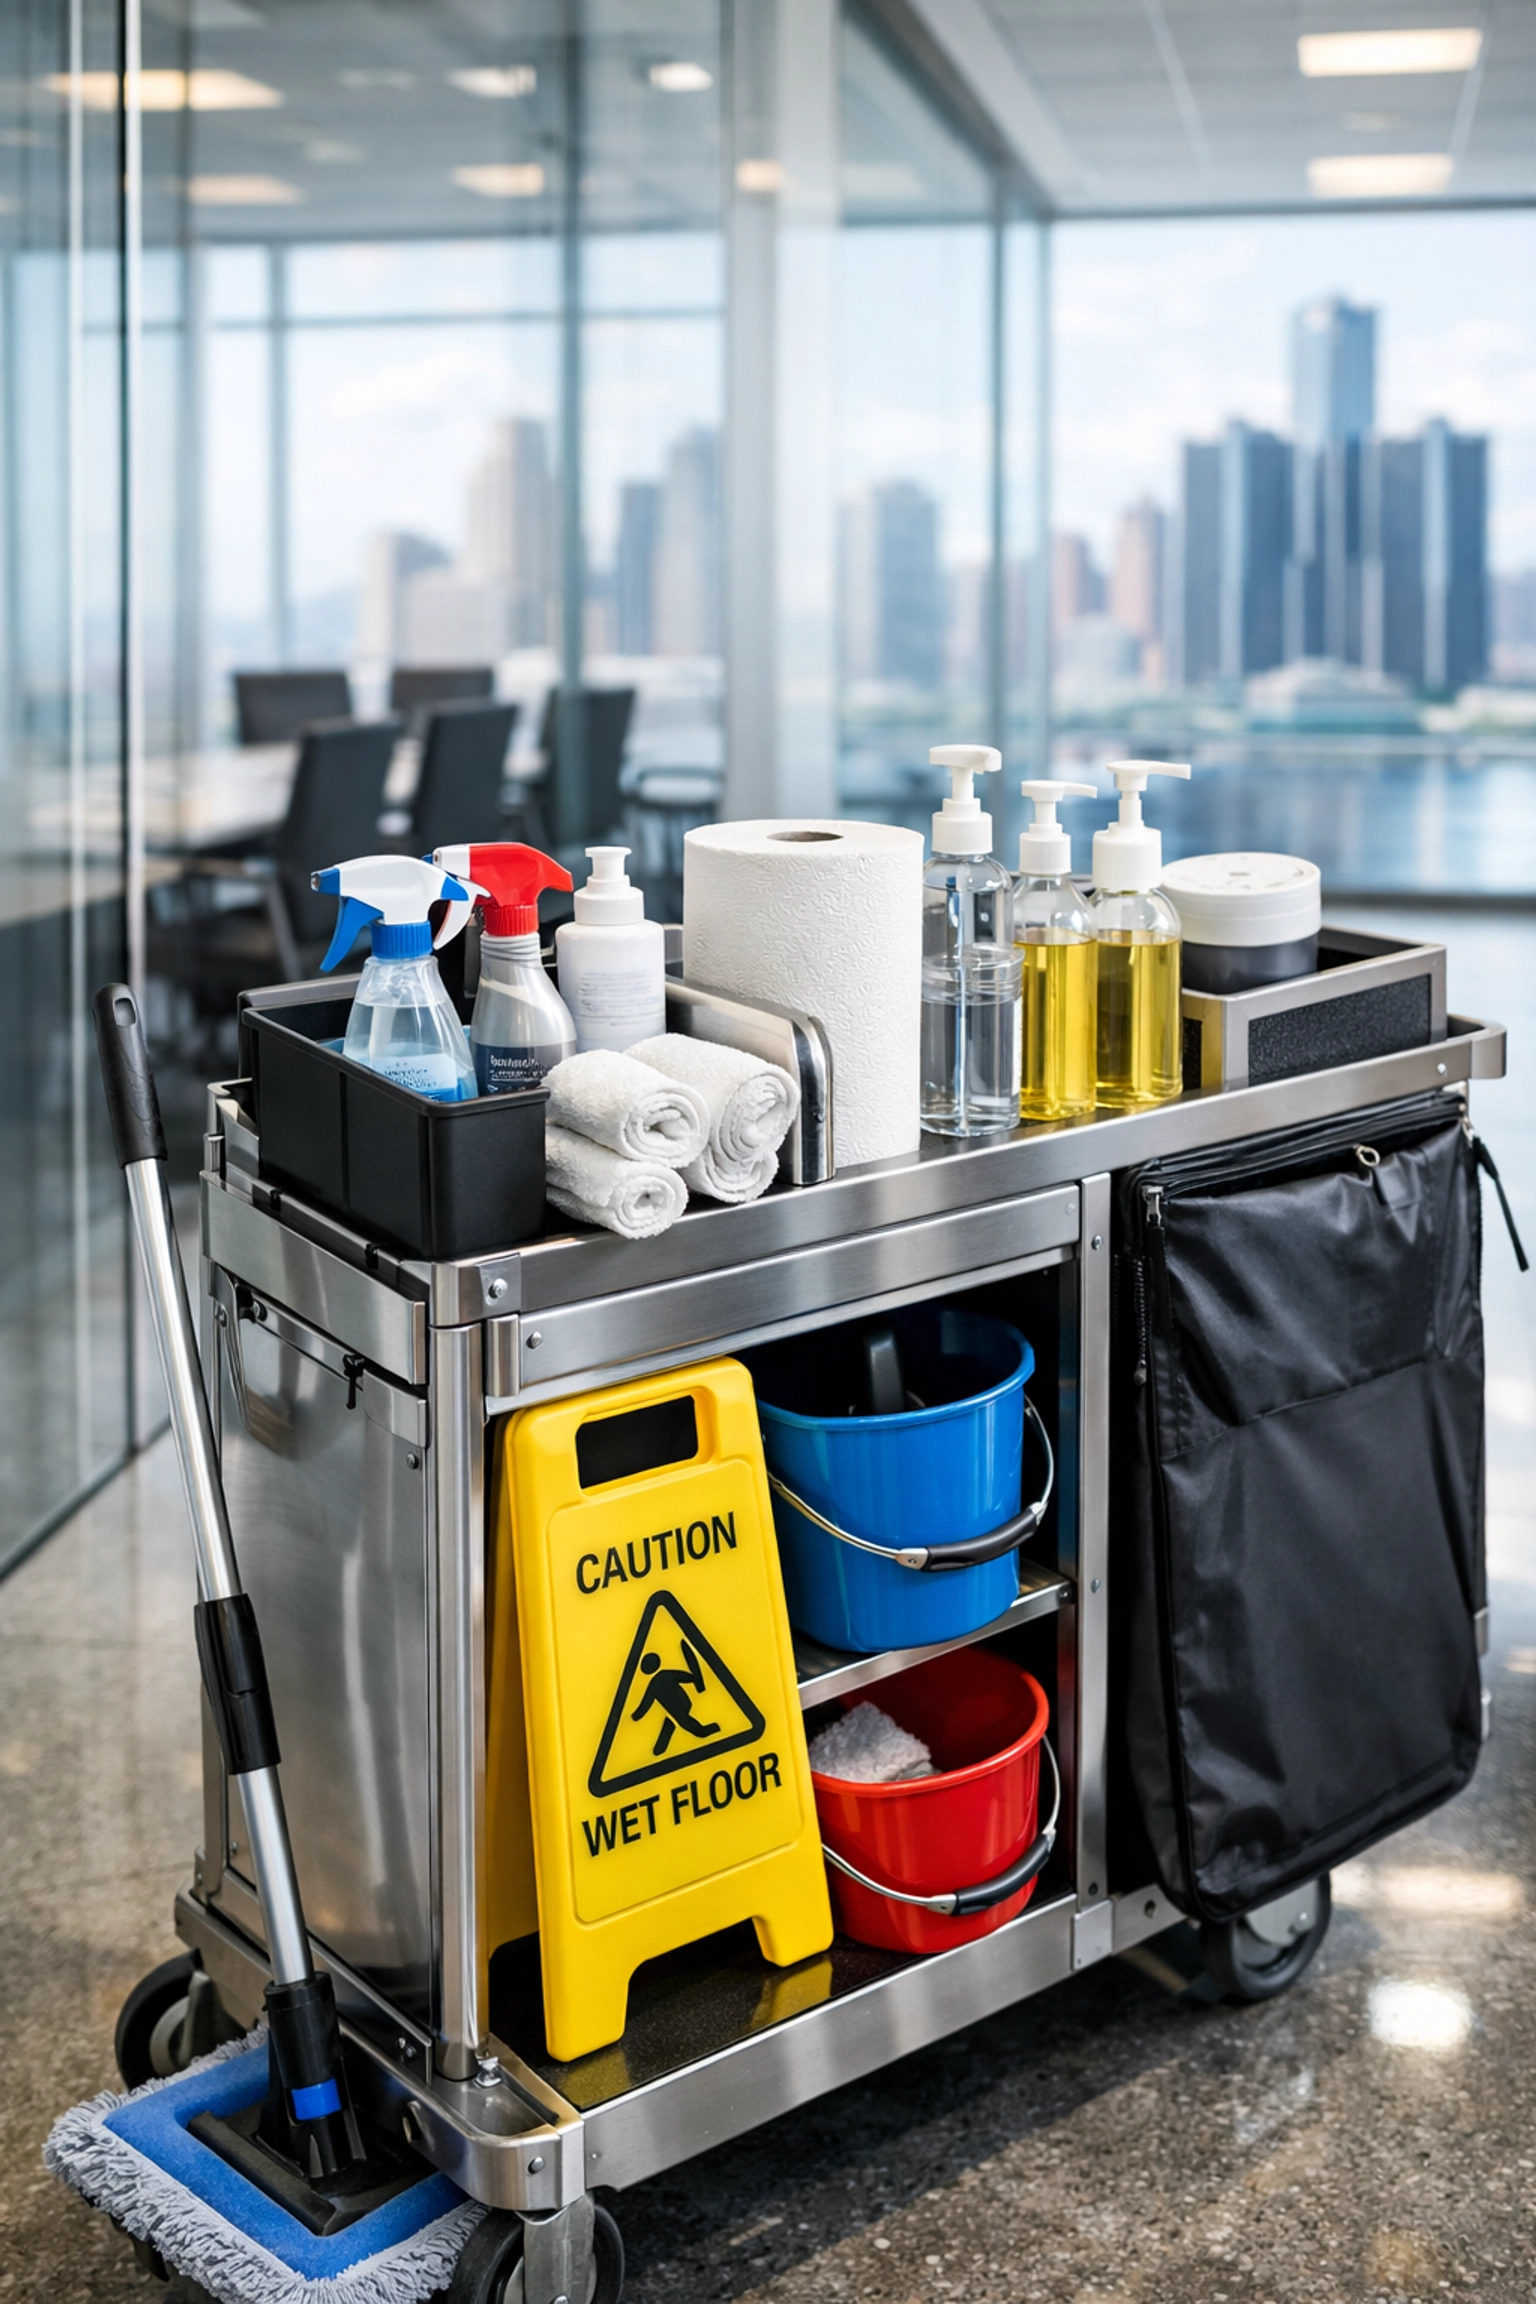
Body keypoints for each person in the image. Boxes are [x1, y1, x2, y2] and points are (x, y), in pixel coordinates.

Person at [631, 1641, 719, 1756]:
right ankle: (660, 1749)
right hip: (682, 1705)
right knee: (673, 1722)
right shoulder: (664, 1675)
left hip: (678, 1707)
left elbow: (646, 1703)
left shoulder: (654, 1683)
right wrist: (693, 1678)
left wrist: (636, 1716)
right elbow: (682, 1676)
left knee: (684, 1722)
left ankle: (707, 1730)